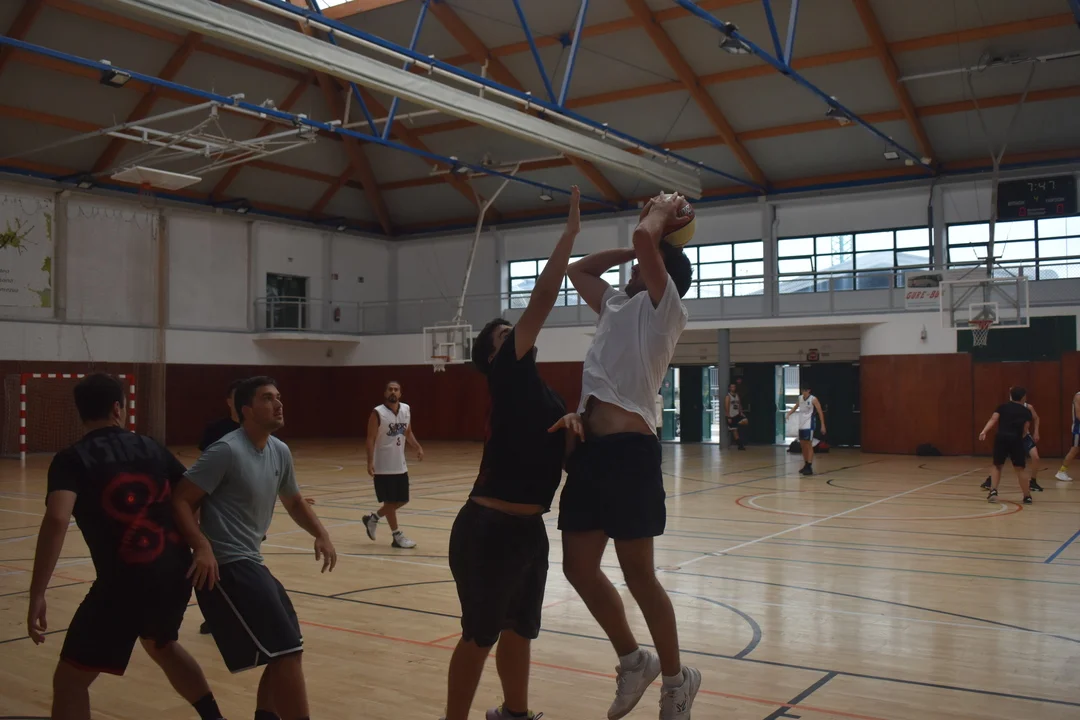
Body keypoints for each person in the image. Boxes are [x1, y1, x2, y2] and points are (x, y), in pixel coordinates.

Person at [439, 187, 582, 720]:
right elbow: (542, 298)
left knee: (521, 630)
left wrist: (573, 427)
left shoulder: (545, 394)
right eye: (505, 334)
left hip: (529, 530)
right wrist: (568, 238)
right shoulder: (507, 372)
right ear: (494, 355)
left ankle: (515, 714)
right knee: (480, 636)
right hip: (488, 530)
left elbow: (563, 458)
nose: (515, 333)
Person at [559, 192, 699, 720]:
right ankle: (633, 660)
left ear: (661, 269)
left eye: (644, 263)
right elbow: (578, 270)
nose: (635, 267)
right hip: (590, 454)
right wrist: (636, 248)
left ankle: (677, 681)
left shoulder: (666, 310)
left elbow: (645, 238)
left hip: (630, 454)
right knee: (578, 567)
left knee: (639, 575)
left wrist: (658, 217)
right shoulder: (616, 304)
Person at [27, 373, 224, 720]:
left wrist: (38, 592)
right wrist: (198, 544)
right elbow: (190, 496)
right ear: (118, 408)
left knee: (70, 682)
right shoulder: (151, 446)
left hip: (123, 582)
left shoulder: (72, 459)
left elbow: (57, 518)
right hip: (175, 572)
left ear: (80, 412)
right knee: (161, 645)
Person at [173, 376, 337, 720]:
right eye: (267, 398)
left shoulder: (279, 450)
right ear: (246, 410)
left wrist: (320, 532)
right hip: (225, 566)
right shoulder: (226, 450)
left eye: (278, 397)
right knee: (286, 651)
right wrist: (201, 546)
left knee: (289, 650)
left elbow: (294, 501)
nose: (278, 404)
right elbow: (180, 500)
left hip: (252, 561)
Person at [363, 380, 424, 549]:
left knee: (402, 500)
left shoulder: (406, 409)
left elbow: (408, 432)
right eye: (390, 389)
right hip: (383, 465)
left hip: (400, 464)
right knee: (390, 502)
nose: (393, 392)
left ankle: (373, 519)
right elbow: (370, 439)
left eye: (396, 389)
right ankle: (397, 536)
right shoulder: (377, 413)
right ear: (385, 393)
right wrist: (369, 461)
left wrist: (417, 447)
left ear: (400, 393)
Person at [979, 385, 1034, 504]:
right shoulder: (1026, 411)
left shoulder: (1002, 407)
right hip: (1016, 439)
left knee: (997, 465)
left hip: (1001, 438)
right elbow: (1025, 430)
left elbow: (993, 419)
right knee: (1020, 468)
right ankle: (1027, 496)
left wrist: (984, 431)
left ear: (1011, 396)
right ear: (1023, 397)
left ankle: (993, 491)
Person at [786, 386, 826, 476]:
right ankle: (806, 464)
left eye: (805, 390)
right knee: (803, 445)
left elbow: (820, 412)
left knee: (809, 444)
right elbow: (795, 407)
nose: (804, 392)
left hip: (809, 424)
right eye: (802, 390)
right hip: (801, 425)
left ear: (809, 390)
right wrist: (789, 413)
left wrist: (823, 425)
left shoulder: (813, 399)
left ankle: (809, 465)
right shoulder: (800, 398)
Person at [199, 379, 243, 452]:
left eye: (246, 397)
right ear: (229, 402)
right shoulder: (214, 429)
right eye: (238, 397)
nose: (242, 401)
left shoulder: (260, 429)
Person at [1055, 391, 1080, 482]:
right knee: (1074, 450)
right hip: (1078, 429)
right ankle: (1061, 472)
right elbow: (1078, 415)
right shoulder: (1078, 396)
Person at [724, 382, 748, 450]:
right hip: (731, 416)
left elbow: (739, 404)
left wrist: (741, 412)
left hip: (737, 414)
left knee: (745, 421)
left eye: (734, 387)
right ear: (729, 388)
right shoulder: (728, 396)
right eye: (732, 387)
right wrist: (728, 416)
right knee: (735, 430)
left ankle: (733, 428)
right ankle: (740, 445)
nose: (733, 388)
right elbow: (726, 407)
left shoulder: (737, 395)